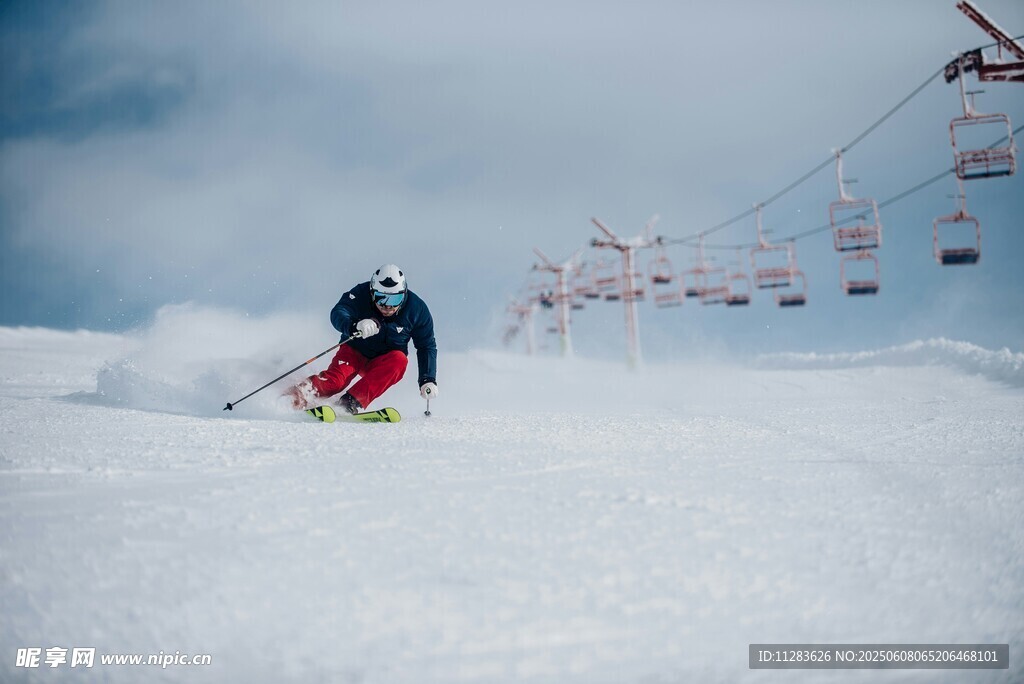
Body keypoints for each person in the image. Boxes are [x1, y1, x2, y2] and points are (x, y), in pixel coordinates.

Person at [287, 264, 437, 414]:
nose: (387, 306)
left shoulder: (417, 309)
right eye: (380, 298)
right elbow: (339, 312)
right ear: (372, 292)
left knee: (400, 360)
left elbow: (426, 346)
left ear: (403, 294)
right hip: (353, 352)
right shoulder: (360, 294)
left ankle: (349, 403)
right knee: (335, 382)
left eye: (395, 299)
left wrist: (427, 379)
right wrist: (354, 325)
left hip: (383, 362)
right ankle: (295, 397)